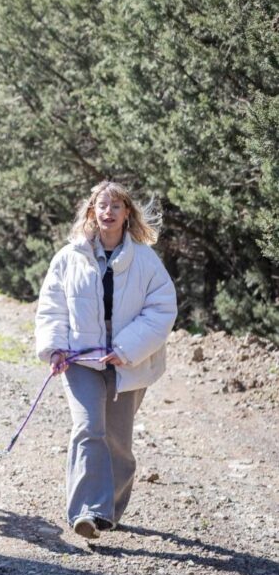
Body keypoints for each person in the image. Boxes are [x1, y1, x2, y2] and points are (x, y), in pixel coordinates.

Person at [35, 180, 176, 540]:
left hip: (128, 361)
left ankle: (108, 511)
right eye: (102, 206)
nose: (108, 212)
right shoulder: (69, 257)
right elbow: (52, 307)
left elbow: (161, 310)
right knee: (87, 429)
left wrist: (126, 348)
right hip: (80, 361)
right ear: (91, 212)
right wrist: (54, 348)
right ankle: (86, 512)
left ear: (127, 213)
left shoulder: (146, 260)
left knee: (117, 441)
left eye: (116, 206)